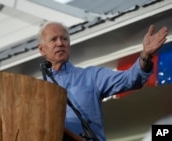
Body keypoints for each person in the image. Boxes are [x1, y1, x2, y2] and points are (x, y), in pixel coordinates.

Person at [37, 21, 169, 141]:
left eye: (64, 39)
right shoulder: (35, 88)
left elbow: (130, 79)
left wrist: (145, 55)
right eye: (53, 40)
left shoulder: (91, 76)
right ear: (42, 49)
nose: (60, 43)